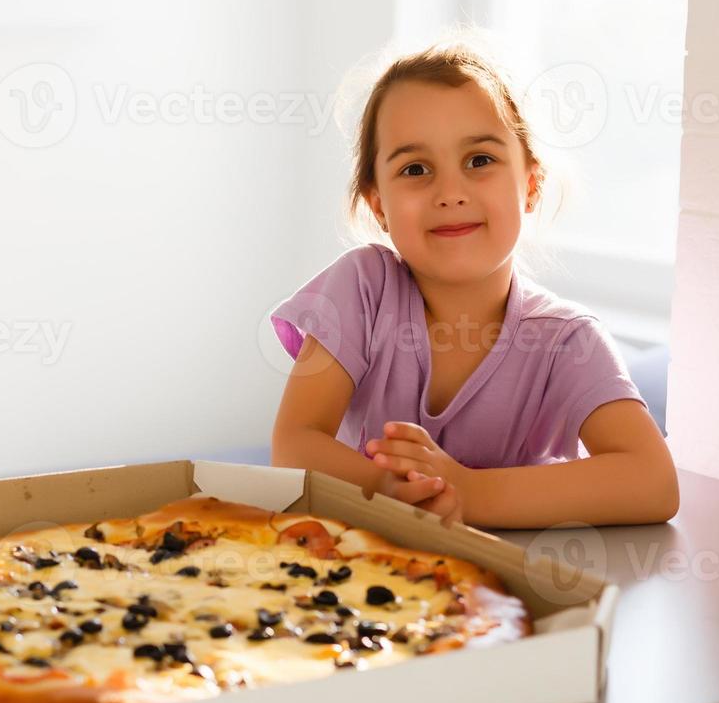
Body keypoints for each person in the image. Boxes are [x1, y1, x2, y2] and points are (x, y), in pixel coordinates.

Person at [270, 37, 678, 529]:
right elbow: (294, 445)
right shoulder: (361, 289)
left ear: (530, 185)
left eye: (479, 160)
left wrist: (470, 492)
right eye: (415, 169)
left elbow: (653, 482)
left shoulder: (566, 340)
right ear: (379, 205)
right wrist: (388, 491)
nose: (450, 193)